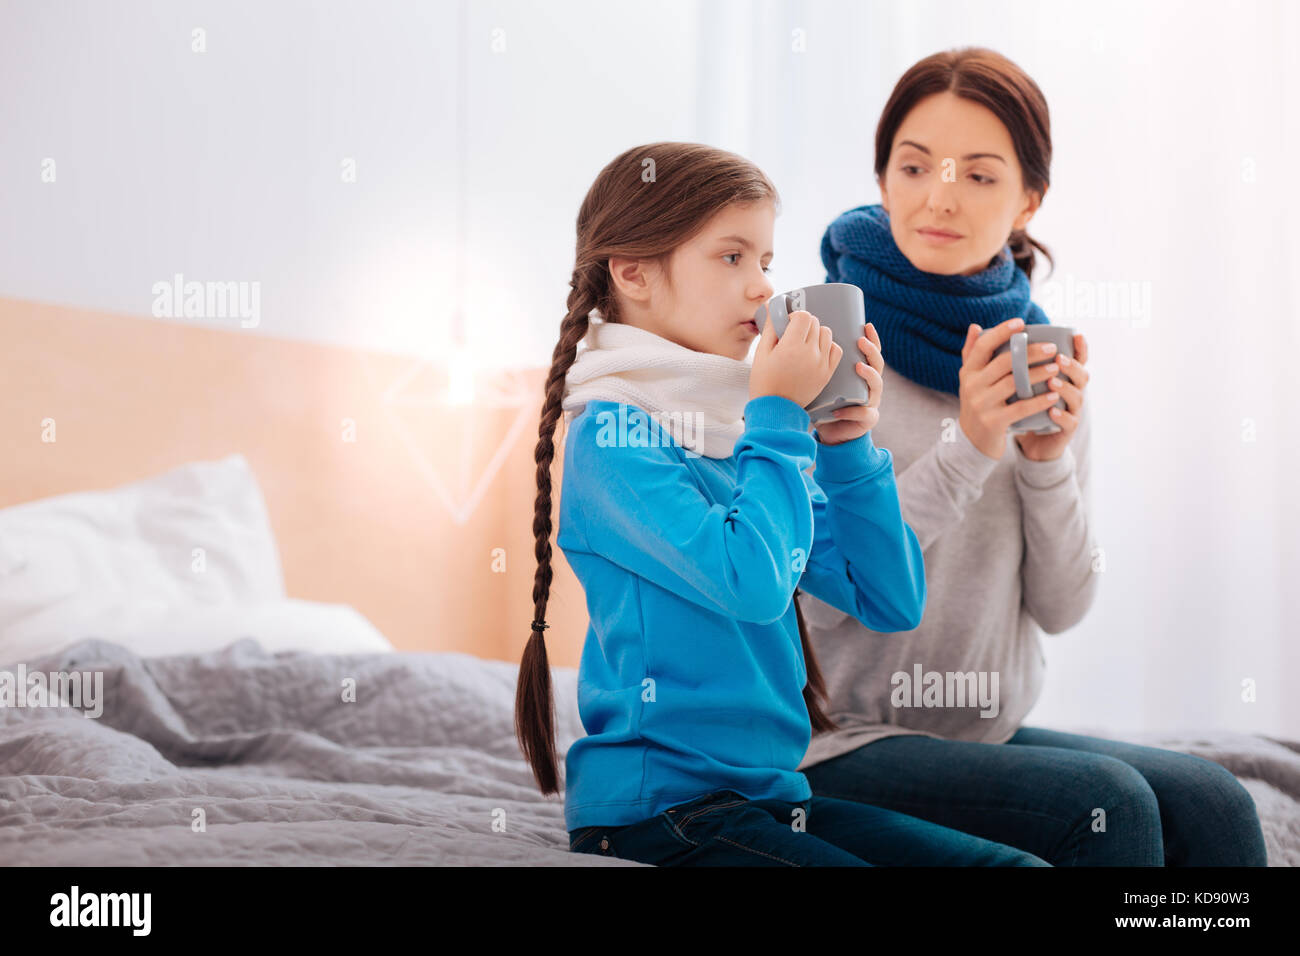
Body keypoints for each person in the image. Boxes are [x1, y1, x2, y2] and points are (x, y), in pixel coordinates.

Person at [513, 140, 1049, 865]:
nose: (763, 288)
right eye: (732, 257)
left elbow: (890, 598)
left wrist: (847, 447)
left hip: (770, 796)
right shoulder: (613, 435)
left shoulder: (738, 434)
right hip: (661, 811)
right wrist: (779, 417)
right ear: (634, 273)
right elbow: (752, 583)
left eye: (765, 262)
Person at [797, 46, 1267, 866]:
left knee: (1215, 801)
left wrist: (1046, 461)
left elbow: (1061, 608)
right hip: (836, 738)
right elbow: (819, 603)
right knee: (1106, 805)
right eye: (914, 167)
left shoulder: (1033, 361)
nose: (938, 196)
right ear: (882, 181)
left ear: (1028, 201)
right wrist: (973, 448)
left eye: (979, 175)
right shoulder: (823, 347)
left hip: (982, 728)